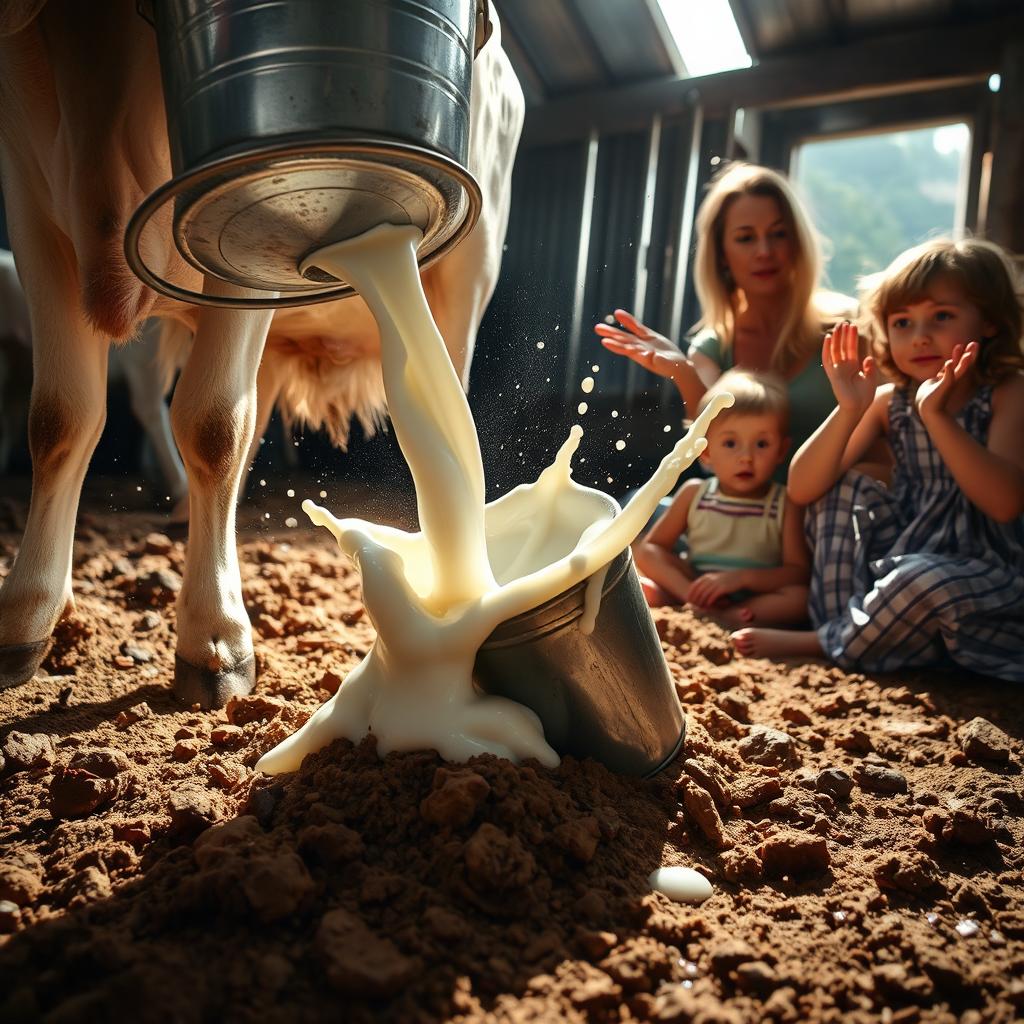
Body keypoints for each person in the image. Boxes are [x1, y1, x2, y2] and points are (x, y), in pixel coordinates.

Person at [731, 238, 1024, 682]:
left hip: (982, 572)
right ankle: (861, 633)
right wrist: (849, 410)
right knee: (842, 491)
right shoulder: (890, 402)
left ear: (988, 322)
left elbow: (1003, 505)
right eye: (902, 322)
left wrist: (937, 417)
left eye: (941, 316)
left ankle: (825, 640)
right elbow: (803, 488)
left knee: (923, 579)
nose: (920, 336)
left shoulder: (1007, 393)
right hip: (901, 564)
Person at [595, 162, 852, 477]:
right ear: (721, 254)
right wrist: (683, 372)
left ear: (797, 242)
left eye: (779, 234)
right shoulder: (711, 349)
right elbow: (710, 454)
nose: (764, 251)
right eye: (745, 238)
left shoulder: (848, 327)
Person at [634, 370, 810, 628]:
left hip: (753, 598)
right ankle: (694, 605)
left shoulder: (785, 502)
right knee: (641, 579)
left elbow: (797, 572)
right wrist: (689, 590)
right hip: (697, 586)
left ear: (781, 450)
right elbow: (650, 550)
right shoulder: (695, 493)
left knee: (800, 600)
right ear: (704, 452)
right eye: (730, 444)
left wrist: (741, 579)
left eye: (761, 444)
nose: (746, 457)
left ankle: (722, 617)